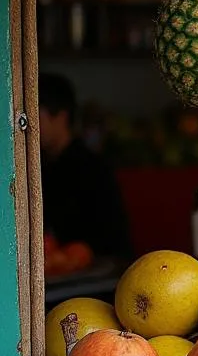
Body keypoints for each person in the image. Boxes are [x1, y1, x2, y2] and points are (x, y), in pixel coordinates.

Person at [38, 73, 133, 260]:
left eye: (37, 116)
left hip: (95, 274)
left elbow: (111, 236)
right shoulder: (42, 166)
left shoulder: (92, 169)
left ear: (61, 117)